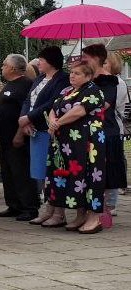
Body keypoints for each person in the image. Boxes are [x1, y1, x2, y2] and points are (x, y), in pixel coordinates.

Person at [39, 60, 106, 233]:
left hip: (87, 142)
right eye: (71, 72)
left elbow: (79, 111)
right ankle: (80, 215)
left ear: (88, 76)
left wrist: (58, 123)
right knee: (75, 177)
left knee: (89, 175)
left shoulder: (93, 90)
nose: (72, 76)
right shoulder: (67, 91)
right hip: (67, 143)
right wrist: (52, 121)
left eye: (77, 73)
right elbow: (54, 107)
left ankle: (94, 218)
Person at [23, 47, 70, 225]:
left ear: (51, 61)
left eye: (41, 60)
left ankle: (58, 211)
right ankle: (48, 208)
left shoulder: (62, 79)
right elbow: (29, 100)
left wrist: (29, 117)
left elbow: (52, 103)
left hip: (49, 130)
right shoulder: (39, 79)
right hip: (35, 129)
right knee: (40, 171)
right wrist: (25, 119)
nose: (38, 63)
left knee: (53, 170)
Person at [82, 44, 123, 224]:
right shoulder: (87, 79)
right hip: (88, 131)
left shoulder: (108, 81)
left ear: (96, 58)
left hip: (105, 131)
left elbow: (102, 104)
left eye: (86, 58)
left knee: (104, 172)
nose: (83, 61)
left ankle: (103, 210)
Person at [0, 54, 37, 221]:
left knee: (21, 172)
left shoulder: (25, 85)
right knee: (8, 172)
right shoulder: (8, 85)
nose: (2, 67)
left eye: (4, 64)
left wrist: (19, 134)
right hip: (4, 137)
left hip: (17, 138)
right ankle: (14, 205)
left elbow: (25, 112)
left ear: (12, 68)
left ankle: (29, 207)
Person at [107, 51, 129, 213]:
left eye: (105, 63)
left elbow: (120, 108)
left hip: (113, 128)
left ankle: (111, 203)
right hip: (106, 128)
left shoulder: (118, 83)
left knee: (112, 165)